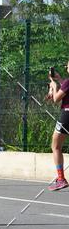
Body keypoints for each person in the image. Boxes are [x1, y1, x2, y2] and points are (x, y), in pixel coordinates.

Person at [47, 61, 69, 190]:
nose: (66, 67)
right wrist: (60, 79)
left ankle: (61, 179)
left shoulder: (67, 82)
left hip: (67, 116)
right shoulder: (66, 82)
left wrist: (54, 86)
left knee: (55, 146)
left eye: (68, 65)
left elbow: (56, 99)